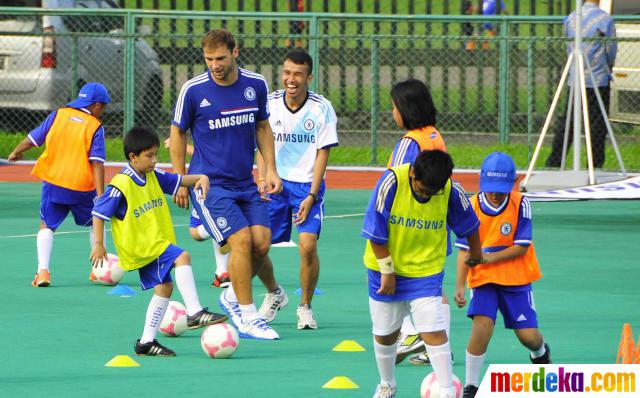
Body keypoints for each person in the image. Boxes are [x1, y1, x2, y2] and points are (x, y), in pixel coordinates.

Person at [169, 28, 284, 340]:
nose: (214, 64)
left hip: (245, 183)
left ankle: (234, 293)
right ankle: (247, 316)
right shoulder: (193, 90)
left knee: (262, 243)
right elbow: (177, 133)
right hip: (209, 185)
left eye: (220, 58)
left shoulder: (255, 84)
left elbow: (262, 126)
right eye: (208, 59)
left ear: (235, 52)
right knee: (242, 240)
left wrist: (270, 169)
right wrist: (180, 179)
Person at [90, 127, 227, 356]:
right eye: (149, 156)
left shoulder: (153, 176)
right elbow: (99, 212)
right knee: (183, 256)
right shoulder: (121, 184)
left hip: (154, 244)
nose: (155, 160)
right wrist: (98, 243)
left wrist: (200, 178)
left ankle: (146, 342)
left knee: (165, 287)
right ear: (133, 157)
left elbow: (179, 180)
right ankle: (194, 312)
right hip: (142, 247)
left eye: (156, 154)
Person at [362, 150, 484, 398]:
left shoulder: (450, 190)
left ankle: (447, 390)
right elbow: (375, 231)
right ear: (413, 173)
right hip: (385, 268)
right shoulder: (392, 182)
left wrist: (476, 254)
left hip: (426, 271)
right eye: (421, 188)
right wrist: (388, 271)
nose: (425, 194)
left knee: (433, 330)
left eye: (431, 191)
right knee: (385, 335)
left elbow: (470, 225)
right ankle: (387, 384)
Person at [454, 152, 552, 398]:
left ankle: (541, 353)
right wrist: (459, 285)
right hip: (483, 279)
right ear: (481, 181)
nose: (495, 194)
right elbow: (464, 249)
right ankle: (471, 386)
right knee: (482, 325)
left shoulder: (522, 203)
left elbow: (521, 246)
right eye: (490, 188)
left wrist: (489, 258)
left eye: (501, 189)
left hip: (516, 278)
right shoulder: (472, 205)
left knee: (529, 337)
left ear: (514, 182)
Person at [256, 49, 338, 330]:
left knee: (307, 246)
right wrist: (264, 177)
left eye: (298, 74)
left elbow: (322, 155)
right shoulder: (269, 103)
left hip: (306, 186)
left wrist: (312, 195)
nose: (291, 79)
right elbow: (261, 144)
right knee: (258, 246)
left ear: (309, 77)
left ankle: (305, 306)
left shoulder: (322, 108)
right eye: (287, 72)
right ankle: (275, 293)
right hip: (275, 183)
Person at [7, 82, 109, 287]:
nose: (104, 111)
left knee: (46, 225)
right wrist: (101, 194)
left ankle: (42, 272)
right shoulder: (95, 127)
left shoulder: (58, 115)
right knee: (94, 223)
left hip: (54, 182)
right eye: (104, 107)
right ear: (97, 105)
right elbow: (97, 162)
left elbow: (32, 139)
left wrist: (17, 151)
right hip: (82, 186)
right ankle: (98, 271)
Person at [386, 79, 448, 366]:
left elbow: (392, 183)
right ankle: (437, 343)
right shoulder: (434, 136)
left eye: (394, 106)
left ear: (406, 110)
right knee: (435, 285)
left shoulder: (408, 143)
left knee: (406, 284)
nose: (392, 111)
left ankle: (412, 334)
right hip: (436, 222)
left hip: (410, 227)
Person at [545, 0, 616, 169]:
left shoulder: (570, 18)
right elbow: (610, 49)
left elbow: (568, 46)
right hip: (598, 79)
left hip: (575, 78)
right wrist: (608, 67)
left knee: (569, 121)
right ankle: (595, 163)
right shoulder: (605, 19)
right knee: (597, 123)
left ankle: (555, 161)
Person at [163, 138, 231, 288]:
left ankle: (222, 272)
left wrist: (180, 145)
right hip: (212, 180)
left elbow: (209, 157)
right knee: (207, 228)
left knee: (199, 229)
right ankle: (222, 272)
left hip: (209, 183)